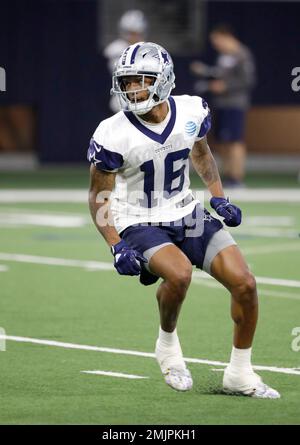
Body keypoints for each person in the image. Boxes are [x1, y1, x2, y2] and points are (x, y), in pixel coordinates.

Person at [87, 41, 279, 398]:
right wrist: (115, 245)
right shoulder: (112, 131)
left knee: (245, 284)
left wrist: (218, 197)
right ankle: (168, 347)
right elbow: (99, 196)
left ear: (163, 80)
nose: (132, 89)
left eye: (140, 80)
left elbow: (201, 154)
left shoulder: (191, 110)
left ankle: (239, 373)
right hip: (139, 220)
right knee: (179, 274)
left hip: (186, 211)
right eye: (127, 82)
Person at [190, 24, 256, 187]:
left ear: (225, 36)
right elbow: (220, 74)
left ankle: (237, 177)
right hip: (221, 103)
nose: (215, 44)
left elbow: (248, 80)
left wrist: (226, 87)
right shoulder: (223, 56)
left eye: (217, 40)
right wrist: (205, 72)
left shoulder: (242, 54)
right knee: (223, 141)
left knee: (235, 141)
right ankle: (228, 175)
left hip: (235, 104)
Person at [103, 10, 148, 114]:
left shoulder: (146, 48)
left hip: (143, 101)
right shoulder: (116, 49)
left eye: (137, 33)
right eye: (131, 33)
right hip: (122, 102)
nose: (134, 37)